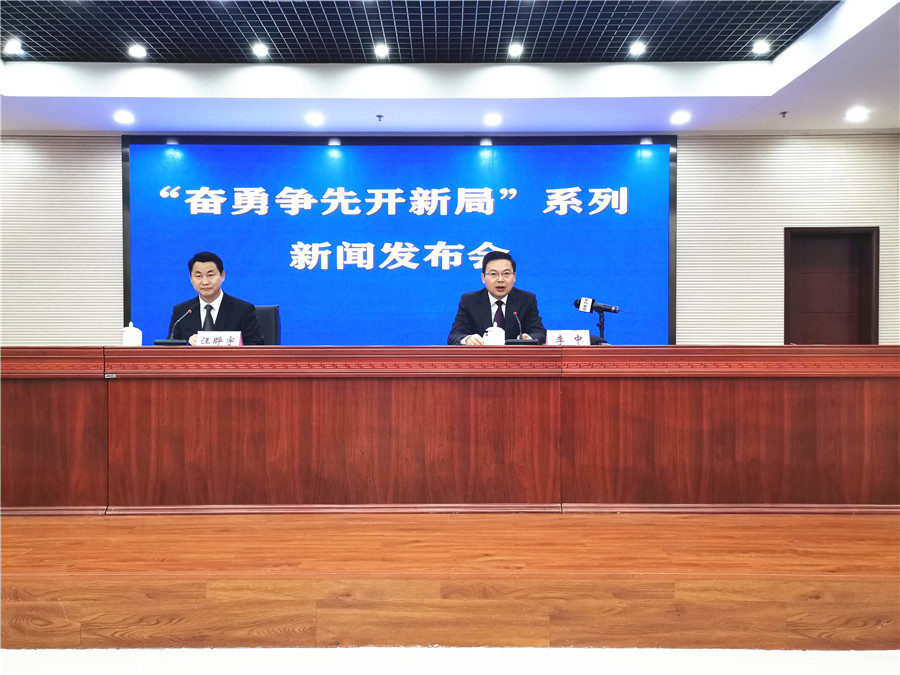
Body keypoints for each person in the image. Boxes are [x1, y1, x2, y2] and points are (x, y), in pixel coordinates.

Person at [448, 251, 546, 346]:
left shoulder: (526, 300)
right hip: (482, 356)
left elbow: (539, 333)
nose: (500, 279)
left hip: (514, 356)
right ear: (483, 278)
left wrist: (529, 339)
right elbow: (455, 335)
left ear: (514, 277)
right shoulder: (469, 301)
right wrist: (468, 339)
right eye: (493, 274)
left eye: (506, 274)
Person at [168, 251, 265, 346]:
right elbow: (170, 347)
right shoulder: (181, 312)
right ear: (191, 279)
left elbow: (256, 345)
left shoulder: (243, 310)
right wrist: (187, 345)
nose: (205, 282)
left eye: (210, 275)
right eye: (198, 276)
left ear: (222, 276)